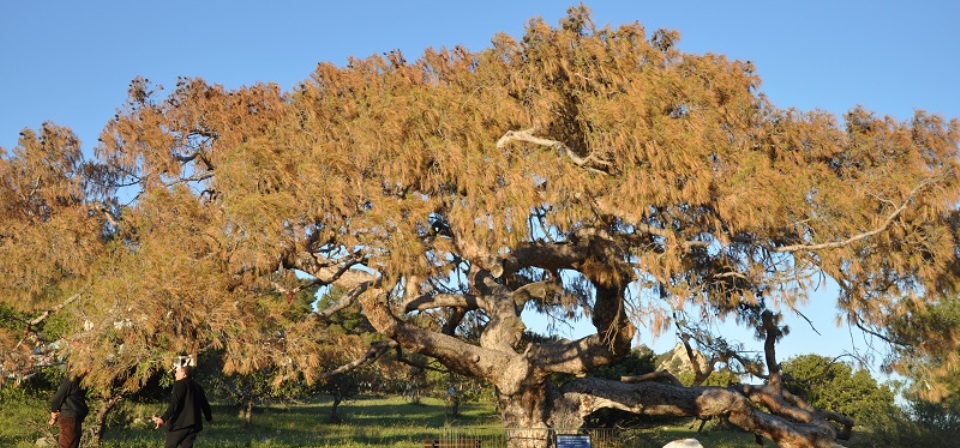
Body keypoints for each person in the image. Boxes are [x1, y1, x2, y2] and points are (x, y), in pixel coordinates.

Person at [153, 365, 212, 448]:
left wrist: (163, 419)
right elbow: (205, 405)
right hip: (193, 426)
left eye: (177, 372)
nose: (175, 374)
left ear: (184, 374)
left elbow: (174, 404)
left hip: (179, 425)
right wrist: (209, 418)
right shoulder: (198, 387)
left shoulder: (180, 384)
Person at [49, 371, 89, 448]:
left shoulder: (72, 378)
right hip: (75, 416)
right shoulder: (84, 379)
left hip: (69, 417)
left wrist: (54, 411)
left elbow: (58, 396)